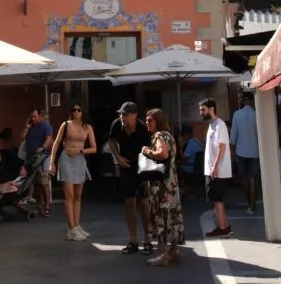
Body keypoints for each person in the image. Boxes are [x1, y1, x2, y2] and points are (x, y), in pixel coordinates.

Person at [108, 101, 153, 254]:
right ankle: (133, 239)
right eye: (121, 114)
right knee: (129, 203)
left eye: (125, 115)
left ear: (134, 116)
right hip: (125, 167)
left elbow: (151, 150)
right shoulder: (116, 125)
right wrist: (118, 157)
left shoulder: (143, 129)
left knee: (144, 203)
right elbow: (111, 140)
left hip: (142, 167)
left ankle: (148, 238)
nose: (122, 117)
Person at [141, 108, 184, 266]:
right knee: (172, 215)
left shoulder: (159, 135)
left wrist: (147, 151)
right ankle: (173, 251)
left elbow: (163, 154)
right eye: (146, 120)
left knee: (161, 216)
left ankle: (161, 254)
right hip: (171, 182)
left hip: (161, 185)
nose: (147, 123)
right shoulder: (169, 135)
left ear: (158, 121)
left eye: (150, 120)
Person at [50, 103, 97, 241]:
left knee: (78, 195)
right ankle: (71, 228)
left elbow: (94, 148)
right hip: (66, 159)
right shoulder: (66, 124)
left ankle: (76, 226)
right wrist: (52, 162)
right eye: (74, 110)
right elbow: (57, 142)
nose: (76, 112)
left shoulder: (88, 127)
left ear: (83, 112)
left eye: (79, 110)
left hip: (79, 160)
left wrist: (80, 151)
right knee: (69, 195)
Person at [200, 98, 232, 238]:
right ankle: (224, 225)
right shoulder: (212, 125)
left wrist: (215, 167)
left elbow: (222, 146)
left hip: (217, 171)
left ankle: (222, 227)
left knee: (216, 199)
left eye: (203, 109)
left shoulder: (220, 125)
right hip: (213, 170)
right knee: (217, 199)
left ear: (212, 109)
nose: (201, 112)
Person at [230, 92, 260, 215]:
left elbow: (233, 136)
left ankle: (249, 203)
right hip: (255, 152)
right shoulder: (256, 114)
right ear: (252, 101)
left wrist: (232, 153)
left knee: (243, 179)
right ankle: (252, 205)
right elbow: (260, 134)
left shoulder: (236, 115)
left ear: (242, 101)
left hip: (241, 152)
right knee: (253, 179)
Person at [23, 108, 54, 216]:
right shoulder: (31, 127)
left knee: (44, 182)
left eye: (35, 116)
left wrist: (42, 147)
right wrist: (27, 128)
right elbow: (23, 138)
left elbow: (49, 138)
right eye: (31, 116)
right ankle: (39, 205)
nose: (33, 118)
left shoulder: (46, 126)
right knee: (36, 183)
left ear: (40, 116)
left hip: (42, 158)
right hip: (32, 159)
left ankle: (47, 206)